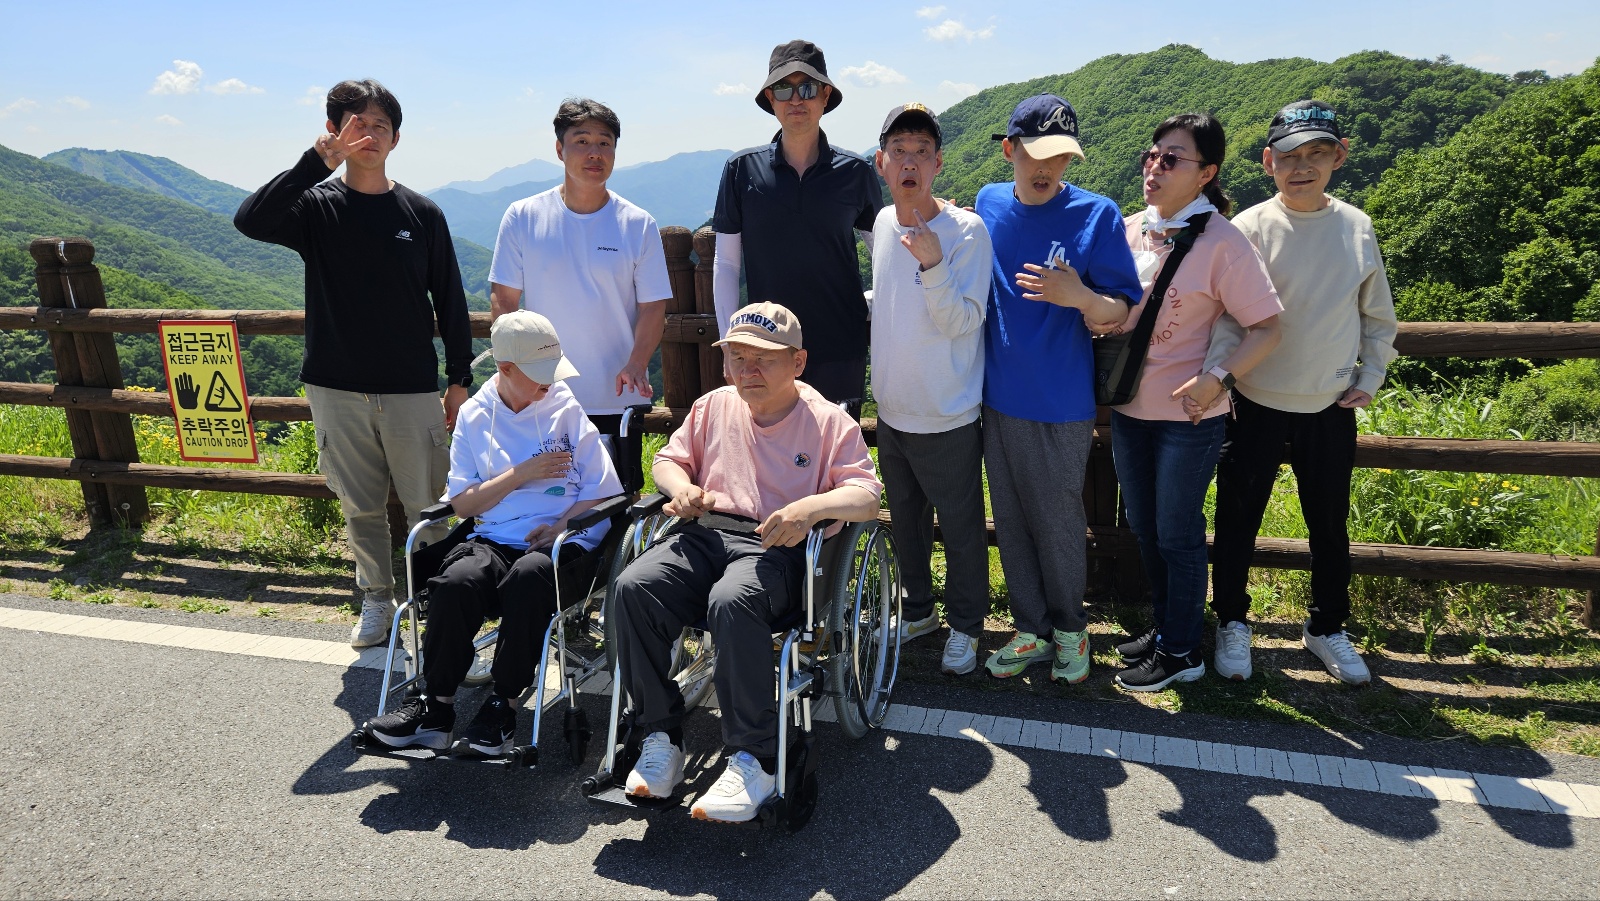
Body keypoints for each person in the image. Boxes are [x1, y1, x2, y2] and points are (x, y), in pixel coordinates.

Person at [613, 302, 882, 823]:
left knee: (732, 600)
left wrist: (810, 508)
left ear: (798, 362)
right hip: (705, 533)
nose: (747, 370)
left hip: (775, 545)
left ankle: (755, 757)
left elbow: (866, 497)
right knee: (633, 587)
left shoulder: (828, 421)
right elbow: (668, 461)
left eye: (763, 359)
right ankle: (660, 734)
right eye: (737, 358)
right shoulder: (712, 406)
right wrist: (681, 488)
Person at [234, 79, 473, 650]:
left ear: (396, 138)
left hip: (412, 386)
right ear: (334, 130)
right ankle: (376, 600)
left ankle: (435, 603)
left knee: (430, 506)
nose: (369, 134)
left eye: (380, 125)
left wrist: (459, 379)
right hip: (335, 384)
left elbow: (451, 297)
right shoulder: (315, 206)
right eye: (356, 123)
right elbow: (251, 220)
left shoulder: (421, 212)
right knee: (360, 505)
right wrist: (315, 163)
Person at [359, 311, 623, 756]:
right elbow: (463, 504)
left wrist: (559, 526)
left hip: (565, 538)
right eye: (539, 374)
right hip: (495, 536)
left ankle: (504, 705)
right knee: (455, 582)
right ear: (505, 369)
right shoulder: (476, 415)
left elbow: (603, 491)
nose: (550, 382)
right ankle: (435, 708)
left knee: (529, 578)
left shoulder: (566, 408)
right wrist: (523, 473)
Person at [1206, 100, 1398, 686]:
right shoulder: (1248, 228)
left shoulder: (1356, 226)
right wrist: (1220, 378)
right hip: (1253, 398)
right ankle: (1231, 621)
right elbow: (1227, 318)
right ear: (1269, 162)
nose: (1302, 166)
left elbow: (1377, 315)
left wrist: (1370, 377)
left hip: (1330, 401)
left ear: (1339, 157)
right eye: (1290, 156)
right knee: (1237, 520)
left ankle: (1327, 626)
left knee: (1329, 525)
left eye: (1317, 153)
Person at [1107, 113, 1282, 692]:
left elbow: (1267, 328)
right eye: (1152, 155)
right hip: (1129, 408)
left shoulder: (1223, 243)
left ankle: (1182, 652)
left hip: (1189, 417)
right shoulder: (1133, 229)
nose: (1154, 167)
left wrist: (1219, 380)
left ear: (1206, 173)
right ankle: (1167, 628)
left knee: (1177, 533)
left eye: (1172, 159)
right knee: (1145, 527)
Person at [975, 94, 1144, 683]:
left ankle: (1072, 631)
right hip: (997, 396)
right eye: (1035, 154)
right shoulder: (989, 202)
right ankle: (1031, 630)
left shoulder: (1097, 214)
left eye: (1061, 156)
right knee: (1012, 521)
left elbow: (1121, 309)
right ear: (1009, 150)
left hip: (1061, 402)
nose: (1047, 167)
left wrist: (1081, 297)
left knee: (1058, 522)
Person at [868, 103, 994, 676]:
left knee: (962, 529)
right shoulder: (882, 224)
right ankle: (919, 611)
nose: (910, 162)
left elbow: (965, 320)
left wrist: (934, 264)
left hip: (947, 414)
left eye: (921, 151)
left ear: (938, 164)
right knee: (906, 524)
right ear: (881, 163)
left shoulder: (966, 231)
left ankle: (967, 625)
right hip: (894, 411)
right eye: (899, 151)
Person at [712, 40, 883, 404]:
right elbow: (726, 263)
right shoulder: (742, 170)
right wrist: (730, 343)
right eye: (782, 89)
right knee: (769, 439)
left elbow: (882, 252)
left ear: (825, 95)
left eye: (807, 88)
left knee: (836, 440)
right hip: (765, 347)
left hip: (841, 343)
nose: (795, 100)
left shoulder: (855, 172)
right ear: (770, 99)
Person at [488, 98, 672, 418]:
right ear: (560, 149)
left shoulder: (638, 224)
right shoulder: (523, 216)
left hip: (619, 396)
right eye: (582, 141)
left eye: (605, 143)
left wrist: (638, 363)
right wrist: (517, 370)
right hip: (542, 395)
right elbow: (503, 300)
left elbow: (653, 306)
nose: (595, 153)